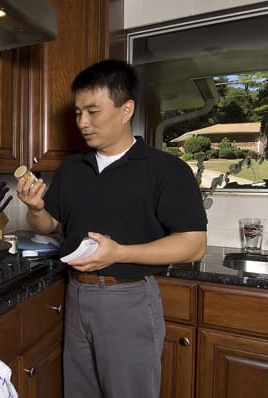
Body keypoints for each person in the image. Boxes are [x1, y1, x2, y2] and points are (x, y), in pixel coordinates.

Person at [16, 59, 207, 398]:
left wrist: (119, 252)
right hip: (75, 296)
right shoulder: (72, 167)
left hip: (129, 300)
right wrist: (35, 208)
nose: (83, 123)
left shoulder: (166, 170)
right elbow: (50, 224)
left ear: (126, 109)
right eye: (77, 113)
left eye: (92, 111)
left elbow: (193, 245)